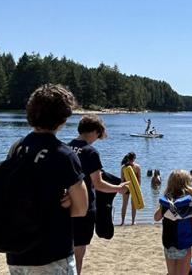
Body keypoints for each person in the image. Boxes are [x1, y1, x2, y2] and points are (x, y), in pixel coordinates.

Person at [6, 84, 88, 274]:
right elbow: (81, 209)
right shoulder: (63, 154)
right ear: (62, 118)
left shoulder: (16, 148)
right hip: (51, 252)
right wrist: (67, 202)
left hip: (16, 252)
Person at [68, 115, 128, 274]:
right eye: (99, 135)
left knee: (66, 252)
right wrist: (118, 188)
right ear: (94, 131)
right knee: (78, 253)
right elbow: (98, 184)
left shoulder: (67, 148)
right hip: (84, 207)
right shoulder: (90, 152)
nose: (97, 139)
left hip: (67, 206)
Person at [154, 170, 192, 275]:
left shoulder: (167, 203)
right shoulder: (191, 203)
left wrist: (165, 207)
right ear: (187, 183)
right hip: (184, 245)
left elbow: (156, 218)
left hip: (169, 244)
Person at [120, 152, 141, 225]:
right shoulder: (124, 167)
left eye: (132, 159)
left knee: (133, 204)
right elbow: (122, 179)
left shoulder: (136, 167)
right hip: (127, 187)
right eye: (131, 159)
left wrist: (138, 188)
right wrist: (121, 188)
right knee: (125, 204)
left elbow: (139, 178)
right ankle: (123, 221)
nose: (132, 161)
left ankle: (132, 221)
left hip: (134, 187)